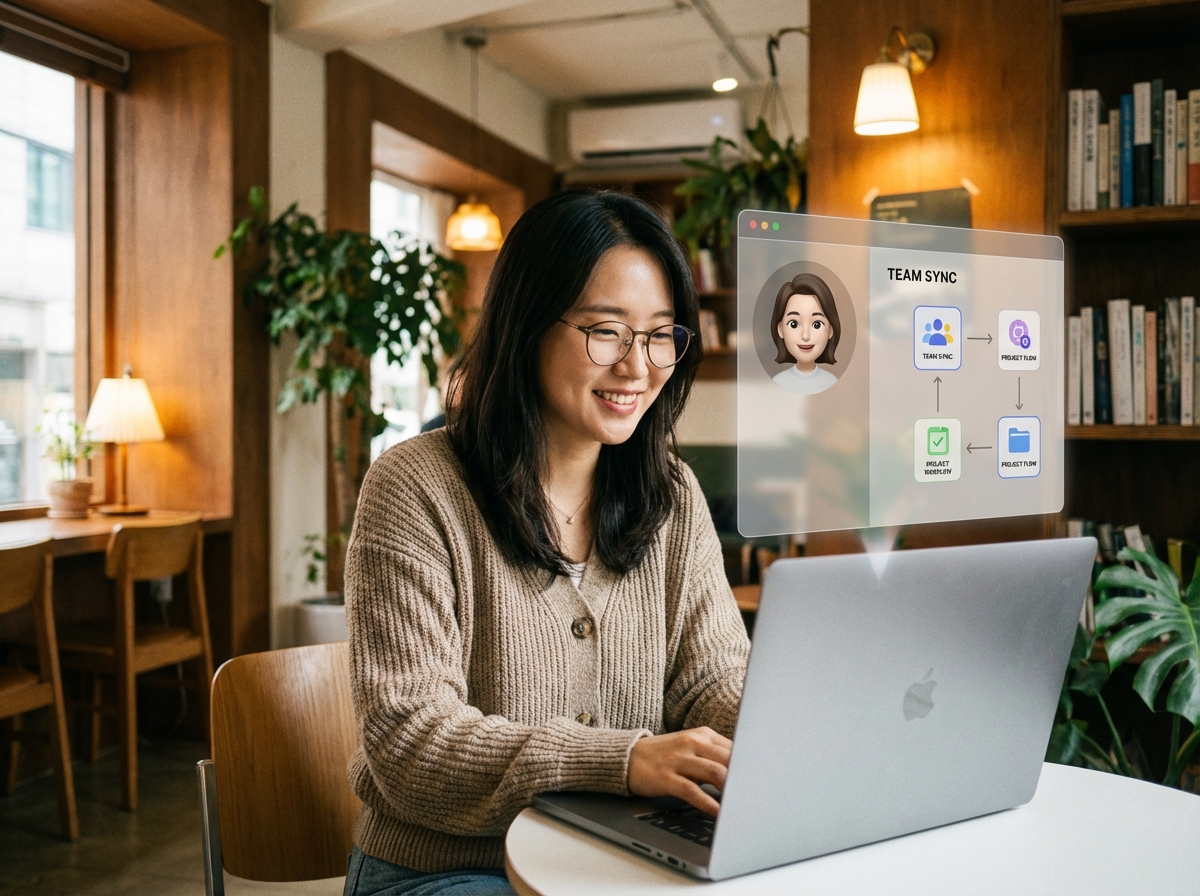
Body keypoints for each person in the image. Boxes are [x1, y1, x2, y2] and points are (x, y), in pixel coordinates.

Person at [343, 190, 750, 895]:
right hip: (446, 871)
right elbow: (411, 742)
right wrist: (621, 762)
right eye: (607, 331)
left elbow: (709, 679)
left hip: (619, 858)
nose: (638, 366)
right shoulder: (414, 487)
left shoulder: (672, 493)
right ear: (527, 324)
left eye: (660, 335)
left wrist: (776, 733)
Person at [769, 272, 842, 395]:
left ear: (831, 330)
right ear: (780, 329)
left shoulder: (832, 383)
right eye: (794, 324)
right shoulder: (777, 383)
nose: (805, 336)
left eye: (817, 324)